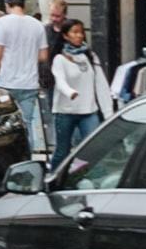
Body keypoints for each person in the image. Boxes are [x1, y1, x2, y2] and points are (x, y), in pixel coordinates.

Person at [0, 0, 50, 151]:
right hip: (29, 83)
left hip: (7, 82)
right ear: (23, 6)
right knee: (27, 124)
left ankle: (10, 157)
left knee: (4, 126)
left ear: (7, 5)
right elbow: (43, 56)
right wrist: (27, 57)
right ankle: (27, 156)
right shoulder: (37, 25)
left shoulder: (2, 22)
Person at [48, 22, 114, 164]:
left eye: (81, 32)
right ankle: (53, 180)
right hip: (65, 112)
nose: (79, 35)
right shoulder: (59, 59)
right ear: (65, 36)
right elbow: (60, 81)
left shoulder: (90, 56)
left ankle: (93, 182)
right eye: (74, 32)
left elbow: (101, 84)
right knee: (63, 151)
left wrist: (108, 112)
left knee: (93, 150)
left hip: (89, 111)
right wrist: (70, 92)